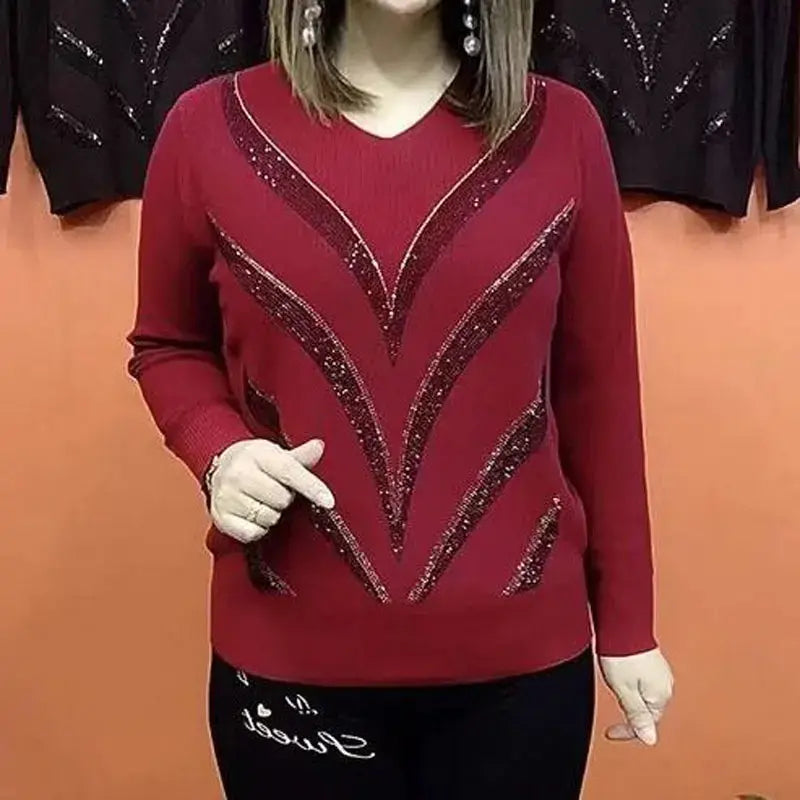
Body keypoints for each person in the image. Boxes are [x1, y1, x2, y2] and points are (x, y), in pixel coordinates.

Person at [128, 1, 674, 797]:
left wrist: (628, 626)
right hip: (289, 662)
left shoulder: (562, 129)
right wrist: (219, 451)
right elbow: (168, 344)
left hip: (521, 673)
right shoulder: (207, 128)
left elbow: (602, 396)